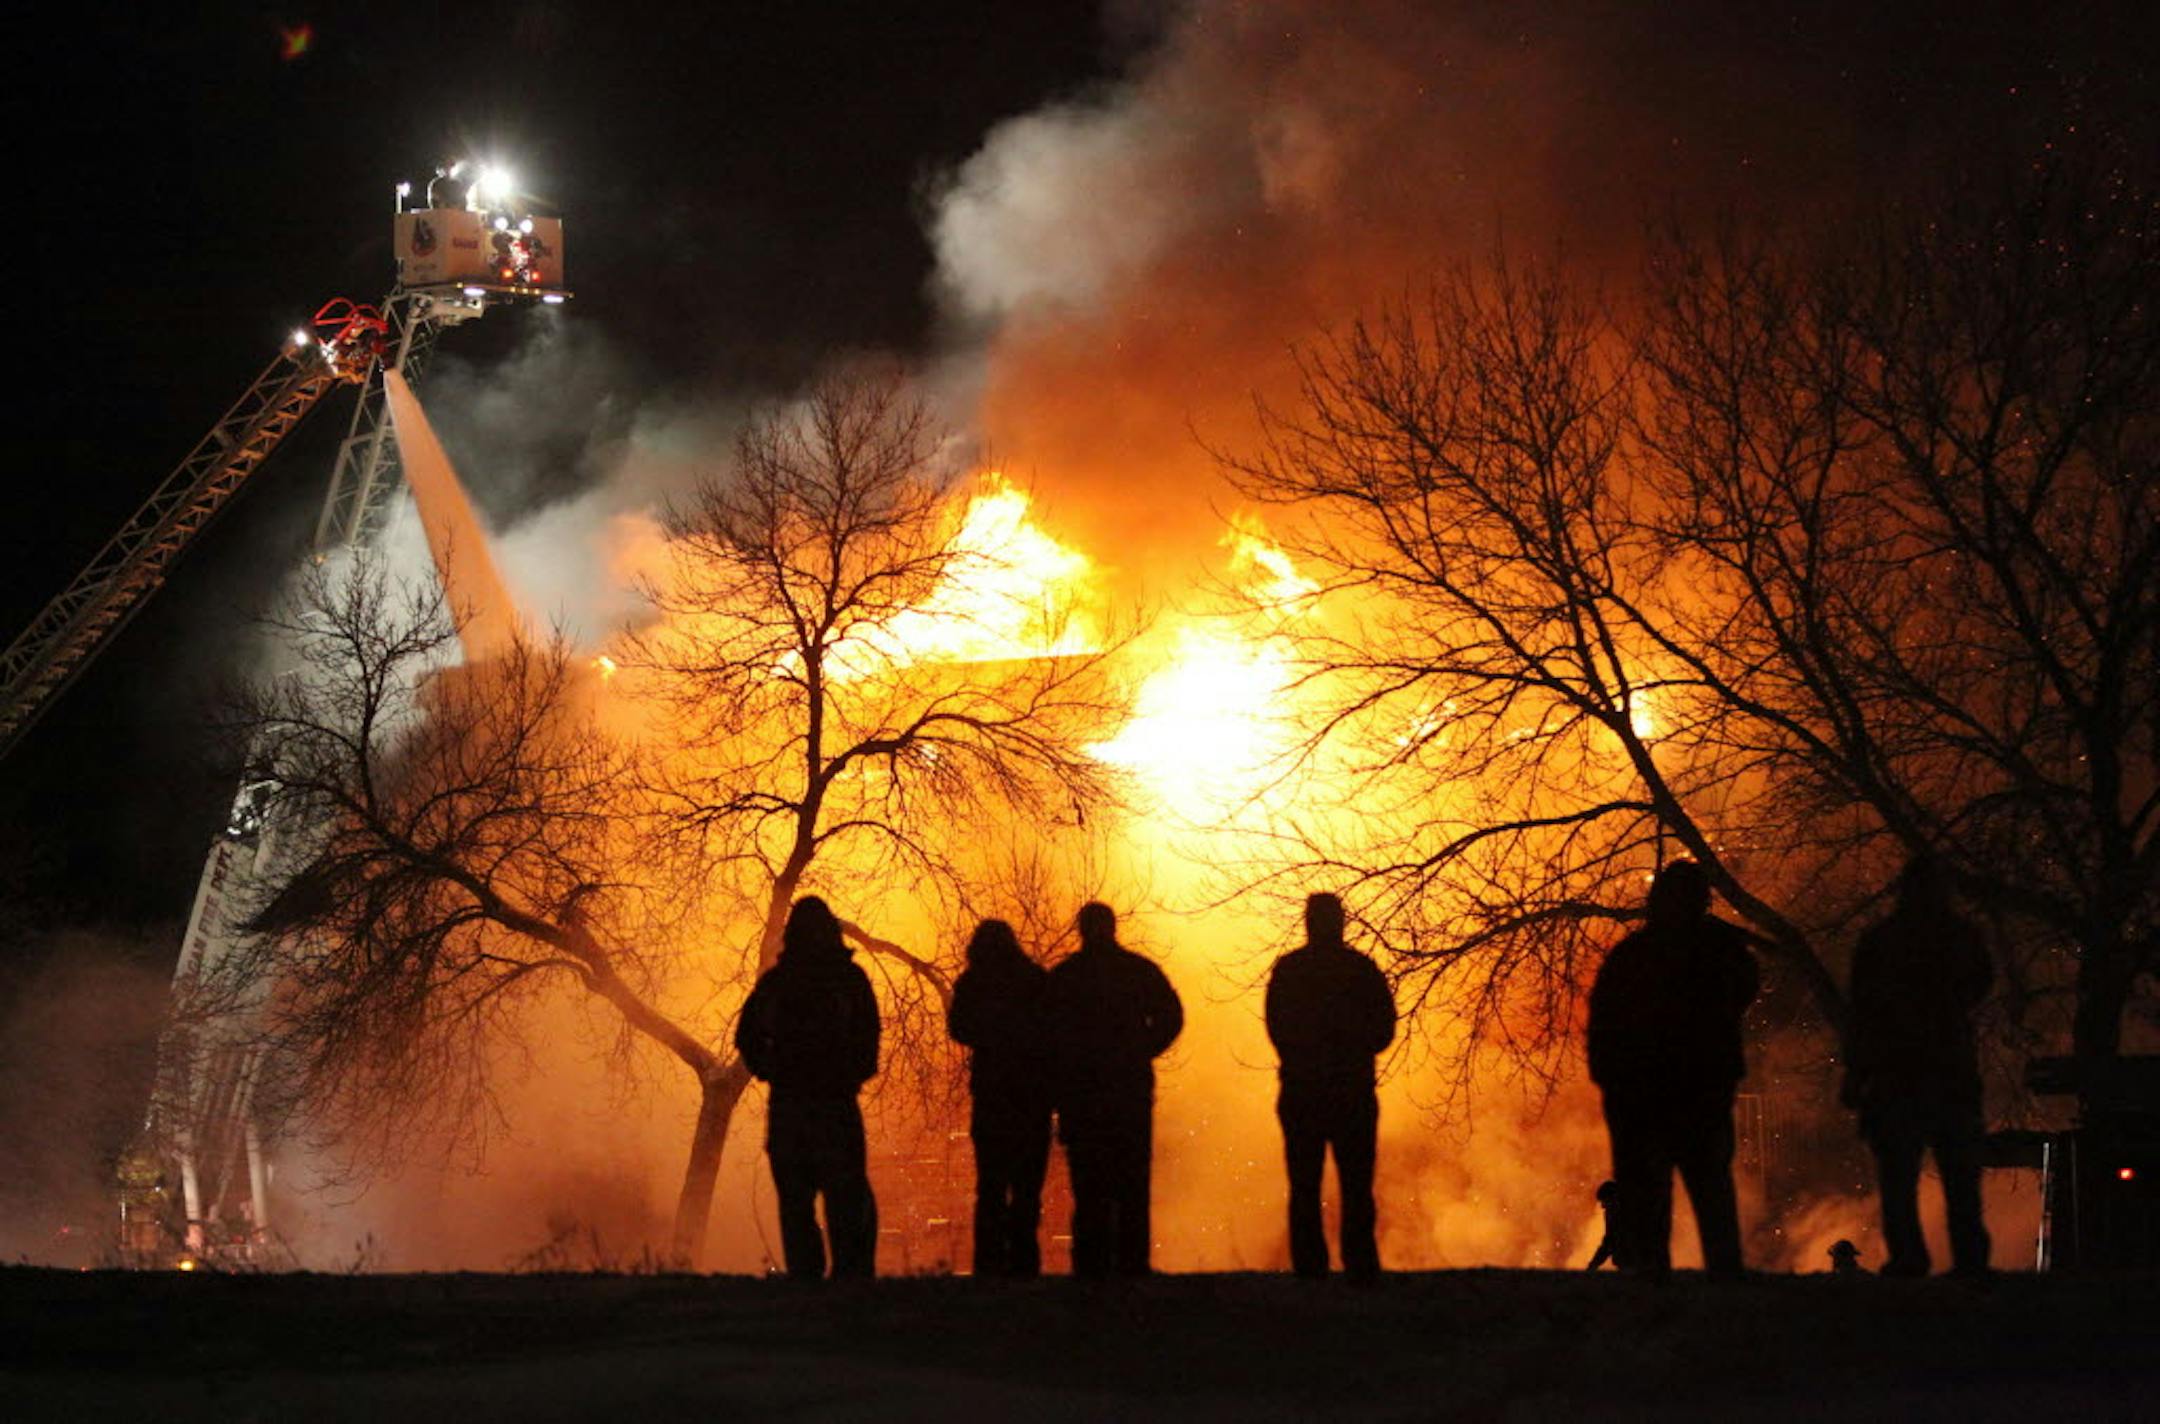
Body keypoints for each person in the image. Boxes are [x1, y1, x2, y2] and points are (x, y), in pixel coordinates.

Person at [1587, 860, 1759, 1279]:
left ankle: (1655, 1279)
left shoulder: (1634, 954)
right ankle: (1721, 1276)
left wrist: (1613, 1085)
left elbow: (1602, 1026)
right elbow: (1745, 989)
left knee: (1661, 1193)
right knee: (1706, 1189)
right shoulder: (1718, 953)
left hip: (1658, 1095)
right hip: (1689, 1091)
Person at [1843, 856, 1993, 1278]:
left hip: (1899, 1073)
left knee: (1899, 1178)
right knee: (1959, 1176)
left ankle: (1910, 1259)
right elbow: (1980, 983)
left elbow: (1862, 1011)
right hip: (1948, 1071)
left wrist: (1857, 1072)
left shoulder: (1881, 941)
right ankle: (1970, 1261)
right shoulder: (1960, 937)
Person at [734, 896, 881, 1279]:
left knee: (797, 1205)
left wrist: (771, 1070)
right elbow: (869, 1038)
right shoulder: (850, 980)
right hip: (834, 1106)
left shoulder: (777, 983)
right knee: (845, 1203)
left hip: (791, 1107)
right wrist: (853, 1074)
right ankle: (850, 1288)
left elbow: (747, 1037)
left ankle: (806, 1285)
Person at [1045, 902, 1183, 1277]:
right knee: (1132, 1184)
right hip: (1129, 1093)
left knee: (1089, 1187)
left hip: (1082, 1098)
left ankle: (1090, 1267)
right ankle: (1132, 1264)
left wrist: (1062, 1079)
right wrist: (1142, 1050)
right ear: (1112, 928)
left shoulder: (1065, 978)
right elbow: (1172, 1016)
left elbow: (1045, 1037)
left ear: (1082, 929)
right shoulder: (1138, 972)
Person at [1263, 892, 1397, 1279]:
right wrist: (1356, 1050)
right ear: (1341, 922)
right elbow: (1385, 1026)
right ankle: (1360, 1262)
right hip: (1352, 1091)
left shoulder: (1290, 970)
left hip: (1303, 1092)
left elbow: (1277, 1026)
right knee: (1356, 1184)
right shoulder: (1361, 969)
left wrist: (1303, 1056)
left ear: (1308, 922)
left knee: (1304, 1184)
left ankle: (1309, 1266)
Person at [948, 918, 1053, 1277]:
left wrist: (989, 1036)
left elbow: (958, 1027)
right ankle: (1026, 1266)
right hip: (1032, 1098)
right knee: (1027, 1189)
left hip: (991, 1096)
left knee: (991, 1186)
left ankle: (988, 1267)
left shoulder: (973, 983)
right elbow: (1054, 1035)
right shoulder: (1036, 981)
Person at [1585, 1181, 1622, 1271]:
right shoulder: (1612, 1213)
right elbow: (1609, 1242)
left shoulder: (1617, 1214)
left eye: (1605, 1201)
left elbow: (1609, 1242)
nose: (1603, 1206)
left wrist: (1593, 1265)